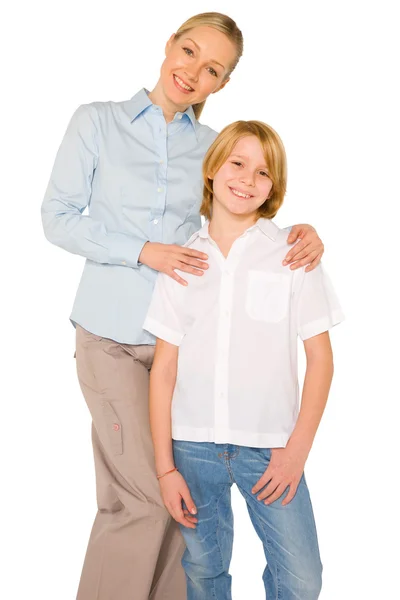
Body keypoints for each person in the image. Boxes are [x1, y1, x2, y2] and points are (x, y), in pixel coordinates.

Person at [41, 12, 325, 600]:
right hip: (113, 339)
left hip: (182, 353)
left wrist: (302, 231)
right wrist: (147, 252)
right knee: (145, 496)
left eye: (212, 68)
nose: (193, 72)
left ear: (222, 84)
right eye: (189, 51)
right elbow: (57, 219)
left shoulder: (210, 147)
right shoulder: (97, 122)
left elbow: (240, 208)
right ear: (168, 44)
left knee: (182, 505)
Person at [144, 120, 344, 599]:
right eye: (238, 163)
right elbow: (164, 370)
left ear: (274, 187)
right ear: (213, 168)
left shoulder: (293, 255)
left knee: (301, 580)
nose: (248, 180)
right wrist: (165, 469)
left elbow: (321, 361)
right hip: (191, 448)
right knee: (204, 572)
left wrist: (296, 452)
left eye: (263, 172)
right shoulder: (183, 262)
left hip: (271, 450)